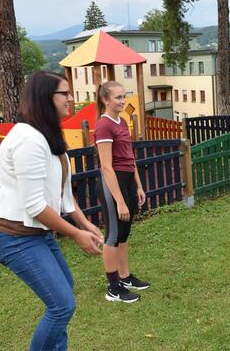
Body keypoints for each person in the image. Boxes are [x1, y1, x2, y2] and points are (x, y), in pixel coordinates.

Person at [0, 71, 104, 350]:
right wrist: (76, 234)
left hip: (37, 233)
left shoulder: (46, 134)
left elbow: (60, 191)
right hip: (13, 236)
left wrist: (84, 223)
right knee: (61, 306)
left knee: (64, 294)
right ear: (44, 97)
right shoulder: (28, 140)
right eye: (65, 93)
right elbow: (35, 205)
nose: (71, 99)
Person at [95, 81, 149, 303]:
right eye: (117, 97)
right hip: (112, 183)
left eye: (123, 96)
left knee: (124, 233)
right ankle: (113, 287)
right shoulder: (103, 125)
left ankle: (125, 277)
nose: (122, 101)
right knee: (113, 235)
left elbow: (129, 157)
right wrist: (120, 201)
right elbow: (106, 166)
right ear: (106, 100)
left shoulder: (123, 121)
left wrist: (138, 185)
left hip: (127, 180)